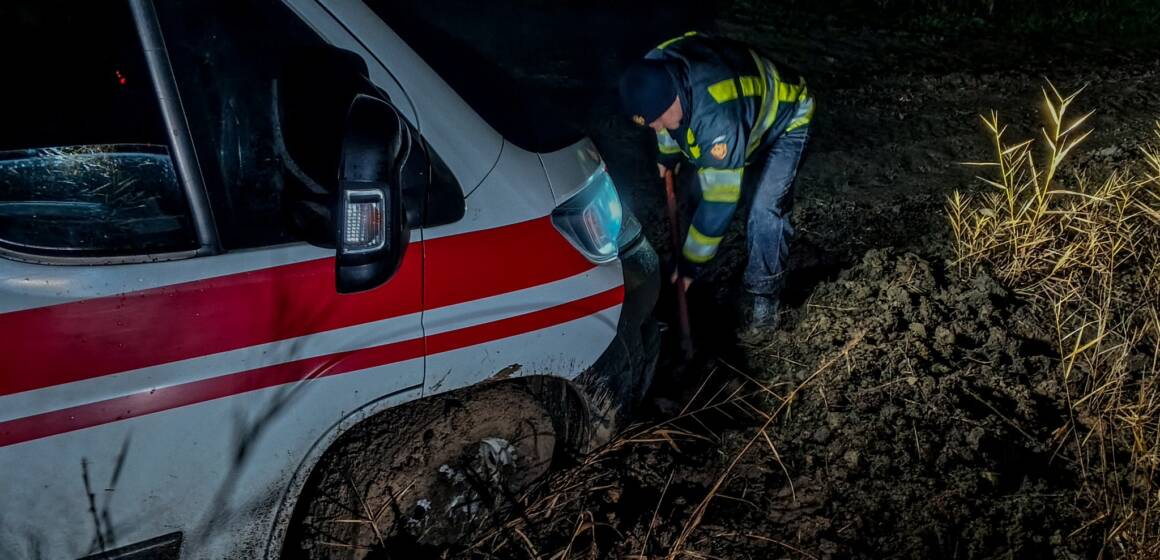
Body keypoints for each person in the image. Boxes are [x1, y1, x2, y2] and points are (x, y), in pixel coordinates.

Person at [619, 31, 813, 332]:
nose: (655, 127)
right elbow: (667, 127)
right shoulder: (656, 68)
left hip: (788, 117)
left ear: (673, 99)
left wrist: (689, 267)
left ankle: (763, 298)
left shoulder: (716, 118)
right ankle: (697, 275)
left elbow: (720, 202)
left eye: (657, 119)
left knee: (764, 209)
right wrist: (667, 156)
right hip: (742, 111)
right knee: (701, 188)